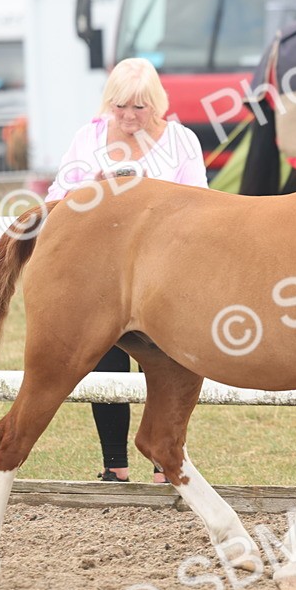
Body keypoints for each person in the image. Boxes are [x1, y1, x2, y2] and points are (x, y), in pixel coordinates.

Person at [46, 57, 208, 483]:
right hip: (102, 272)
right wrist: (93, 185)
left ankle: (164, 466)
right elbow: (57, 196)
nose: (129, 117)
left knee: (169, 365)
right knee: (105, 360)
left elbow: (203, 203)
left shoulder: (181, 140)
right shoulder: (89, 137)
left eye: (139, 107)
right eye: (120, 107)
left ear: (156, 105)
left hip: (165, 274)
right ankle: (113, 465)